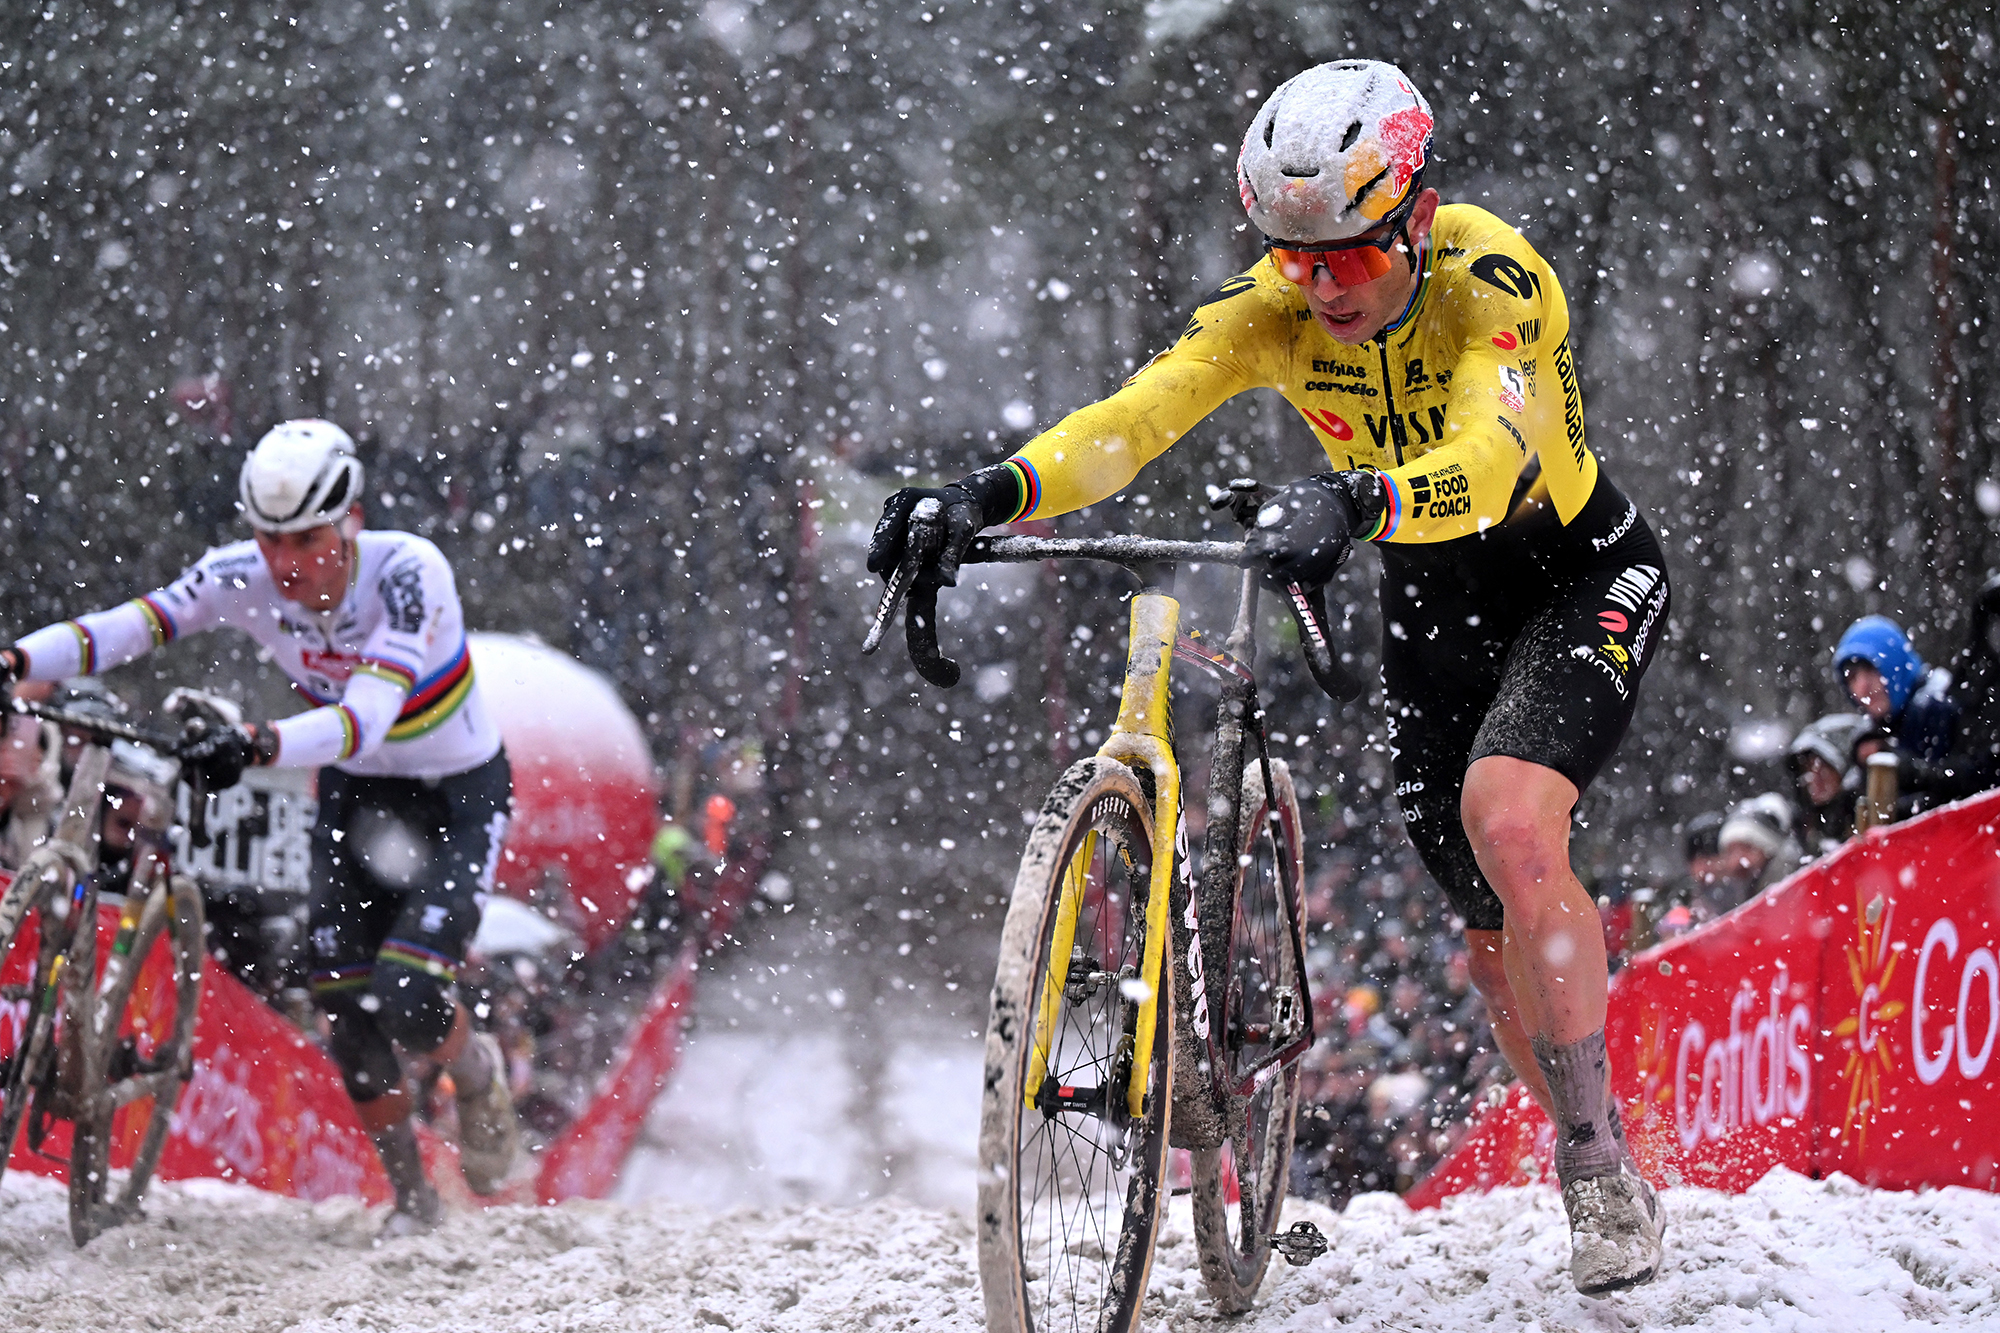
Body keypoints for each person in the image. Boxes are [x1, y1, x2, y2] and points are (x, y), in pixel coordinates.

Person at [869, 60, 1668, 1292]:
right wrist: (988, 493)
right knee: (1483, 939)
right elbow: (1132, 420)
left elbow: (1489, 456)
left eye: (1350, 256)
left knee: (1507, 819)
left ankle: (1596, 1170)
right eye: (1295, 259)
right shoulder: (1274, 307)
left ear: (1416, 214)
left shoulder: (1491, 278)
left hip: (1572, 571)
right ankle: (1589, 1119)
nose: (1322, 287)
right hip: (1430, 603)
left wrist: (1356, 499)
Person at [0, 419, 517, 1233]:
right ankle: (414, 1201)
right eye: (270, 539)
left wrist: (255, 743)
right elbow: (131, 624)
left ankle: (476, 1071)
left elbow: (364, 719)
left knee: (411, 996)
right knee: (345, 1005)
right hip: (356, 795)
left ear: (350, 521)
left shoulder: (410, 574)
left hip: (454, 796)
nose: (285, 562)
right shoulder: (241, 573)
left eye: (307, 539)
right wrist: (18, 661)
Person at [1786, 713, 1865, 854]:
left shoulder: (1867, 817)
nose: (1814, 779)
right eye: (1806, 770)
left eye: (1823, 769)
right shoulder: (1802, 832)